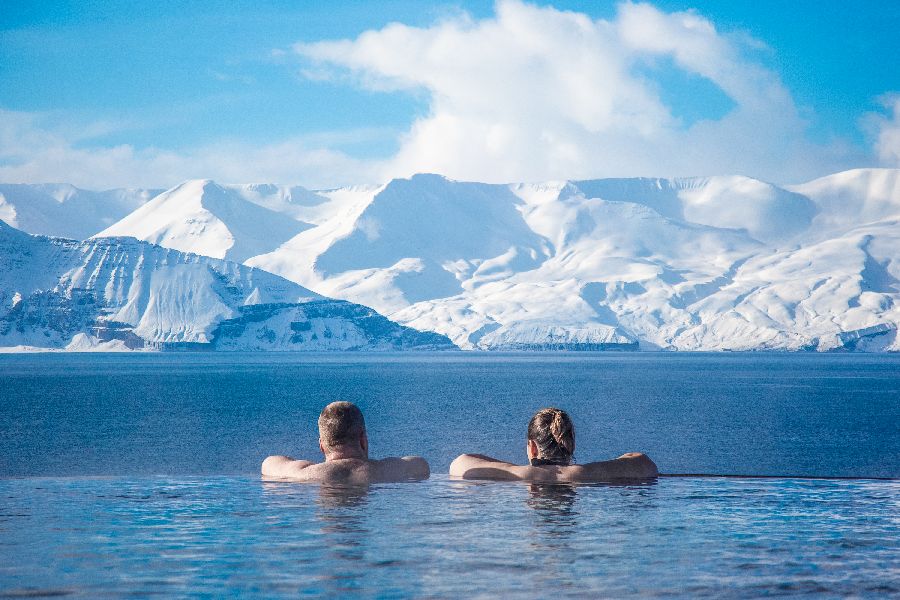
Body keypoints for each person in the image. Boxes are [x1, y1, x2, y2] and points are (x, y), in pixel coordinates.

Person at [449, 407, 658, 482]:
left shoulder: (518, 475)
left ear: (532, 447)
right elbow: (644, 462)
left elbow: (460, 462)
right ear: (570, 445)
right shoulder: (589, 474)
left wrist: (512, 467)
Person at [262, 401, 430, 484]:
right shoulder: (389, 470)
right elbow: (421, 464)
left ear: (321, 446)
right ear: (363, 439)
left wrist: (308, 466)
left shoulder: (304, 473)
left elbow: (268, 463)